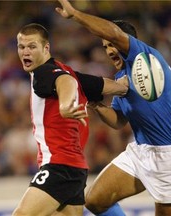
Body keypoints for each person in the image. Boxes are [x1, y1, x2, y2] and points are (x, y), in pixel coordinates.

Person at [56, 0, 171, 216]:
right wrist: (97, 106)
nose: (109, 50)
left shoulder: (145, 58)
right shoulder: (120, 79)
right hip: (140, 151)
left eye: (112, 44)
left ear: (128, 42)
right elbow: (118, 121)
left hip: (167, 155)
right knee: (95, 201)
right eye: (105, 46)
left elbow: (115, 32)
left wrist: (76, 15)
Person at [12, 23, 128, 216]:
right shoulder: (69, 71)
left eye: (32, 46)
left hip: (59, 166)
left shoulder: (44, 73)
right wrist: (123, 86)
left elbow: (65, 81)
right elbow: (101, 85)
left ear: (46, 48)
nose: (25, 52)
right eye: (21, 46)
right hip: (75, 168)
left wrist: (66, 105)